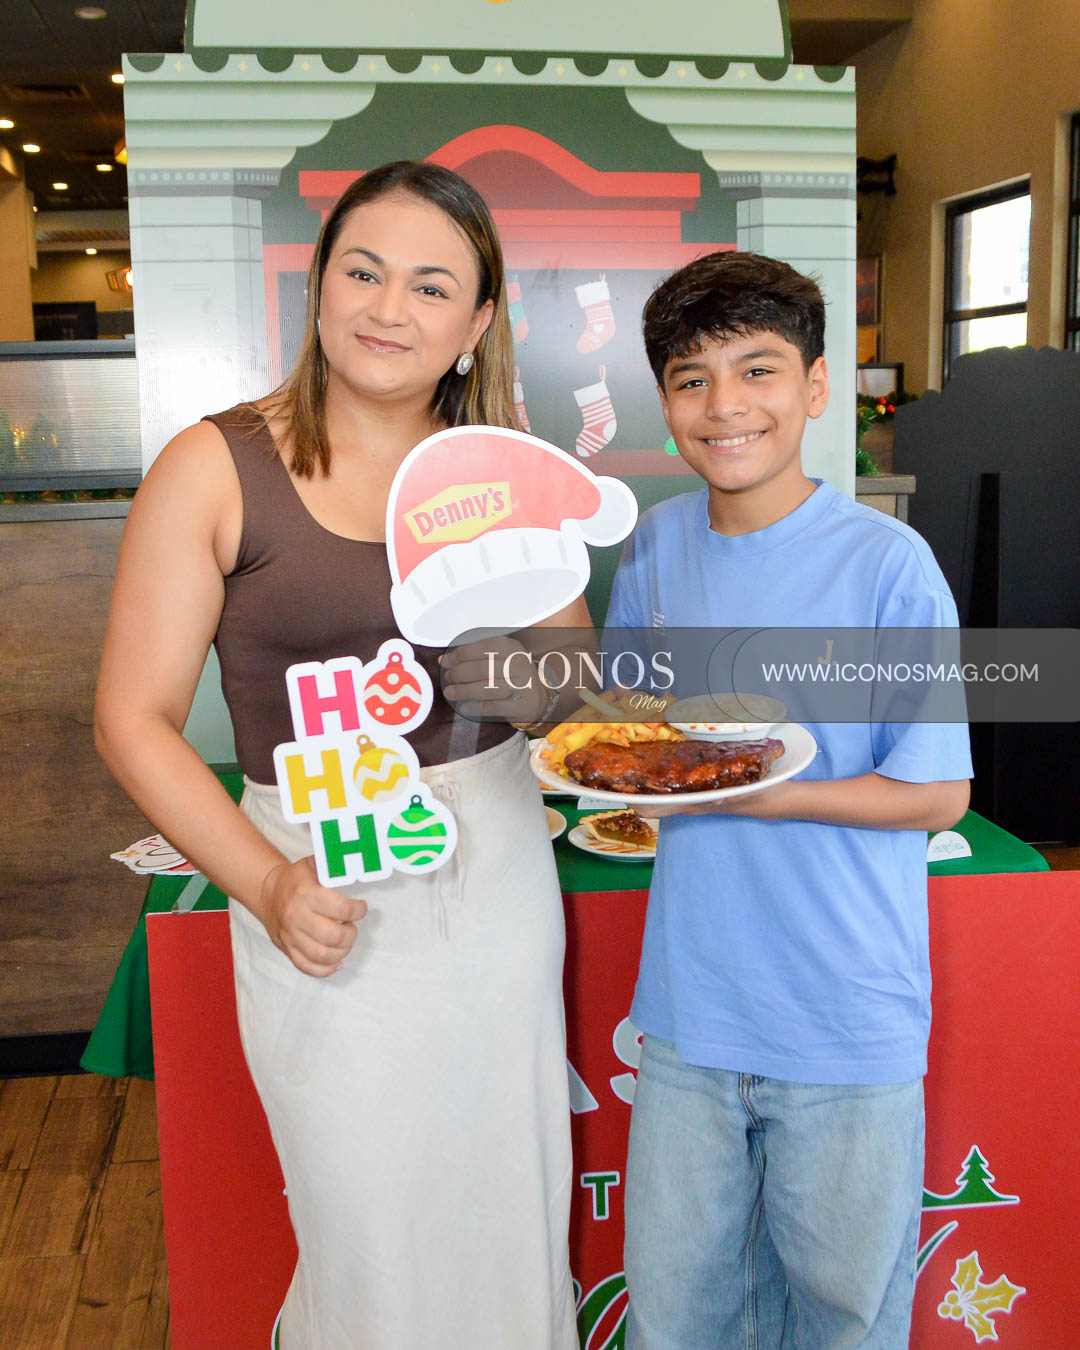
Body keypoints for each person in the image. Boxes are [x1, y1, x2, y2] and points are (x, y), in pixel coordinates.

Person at [95, 161, 583, 1350]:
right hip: (317, 885)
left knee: (507, 1204)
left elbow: (567, 686)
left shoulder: (497, 470)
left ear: (477, 322)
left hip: (495, 875)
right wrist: (265, 886)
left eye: (432, 287)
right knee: (365, 1224)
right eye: (364, 272)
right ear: (319, 285)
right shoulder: (214, 465)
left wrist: (527, 677)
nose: (389, 309)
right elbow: (132, 718)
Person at [604, 251, 972, 1349]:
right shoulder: (657, 543)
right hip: (689, 1012)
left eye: (757, 370)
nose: (725, 405)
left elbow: (938, 792)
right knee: (677, 1314)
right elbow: (630, 726)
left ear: (815, 387)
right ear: (666, 401)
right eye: (692, 378)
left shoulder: (888, 565)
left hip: (843, 1014)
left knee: (844, 1320)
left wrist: (765, 798)